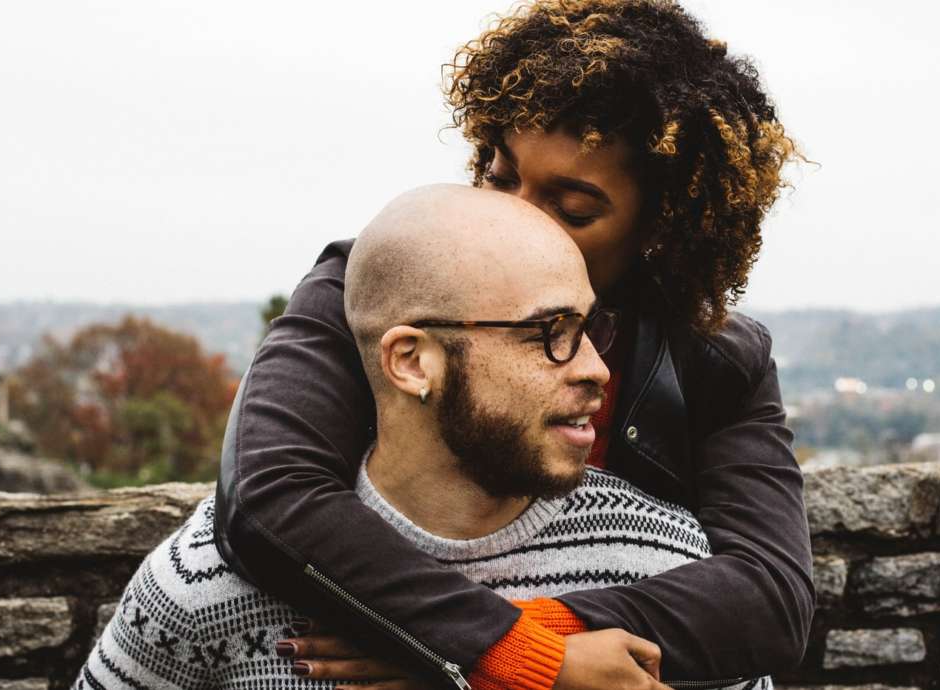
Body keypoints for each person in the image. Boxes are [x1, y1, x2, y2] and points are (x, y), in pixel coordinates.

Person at [217, 1, 815, 688]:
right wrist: (496, 648)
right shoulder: (375, 287)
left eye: (572, 208)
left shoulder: (717, 359)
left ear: (659, 228)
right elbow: (269, 497)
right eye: (501, 177)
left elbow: (771, 598)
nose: (514, 215)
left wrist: (513, 643)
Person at [75, 184, 772, 690]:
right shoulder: (206, 582)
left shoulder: (662, 562)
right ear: (411, 362)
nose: (596, 368)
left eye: (590, 328)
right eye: (549, 333)